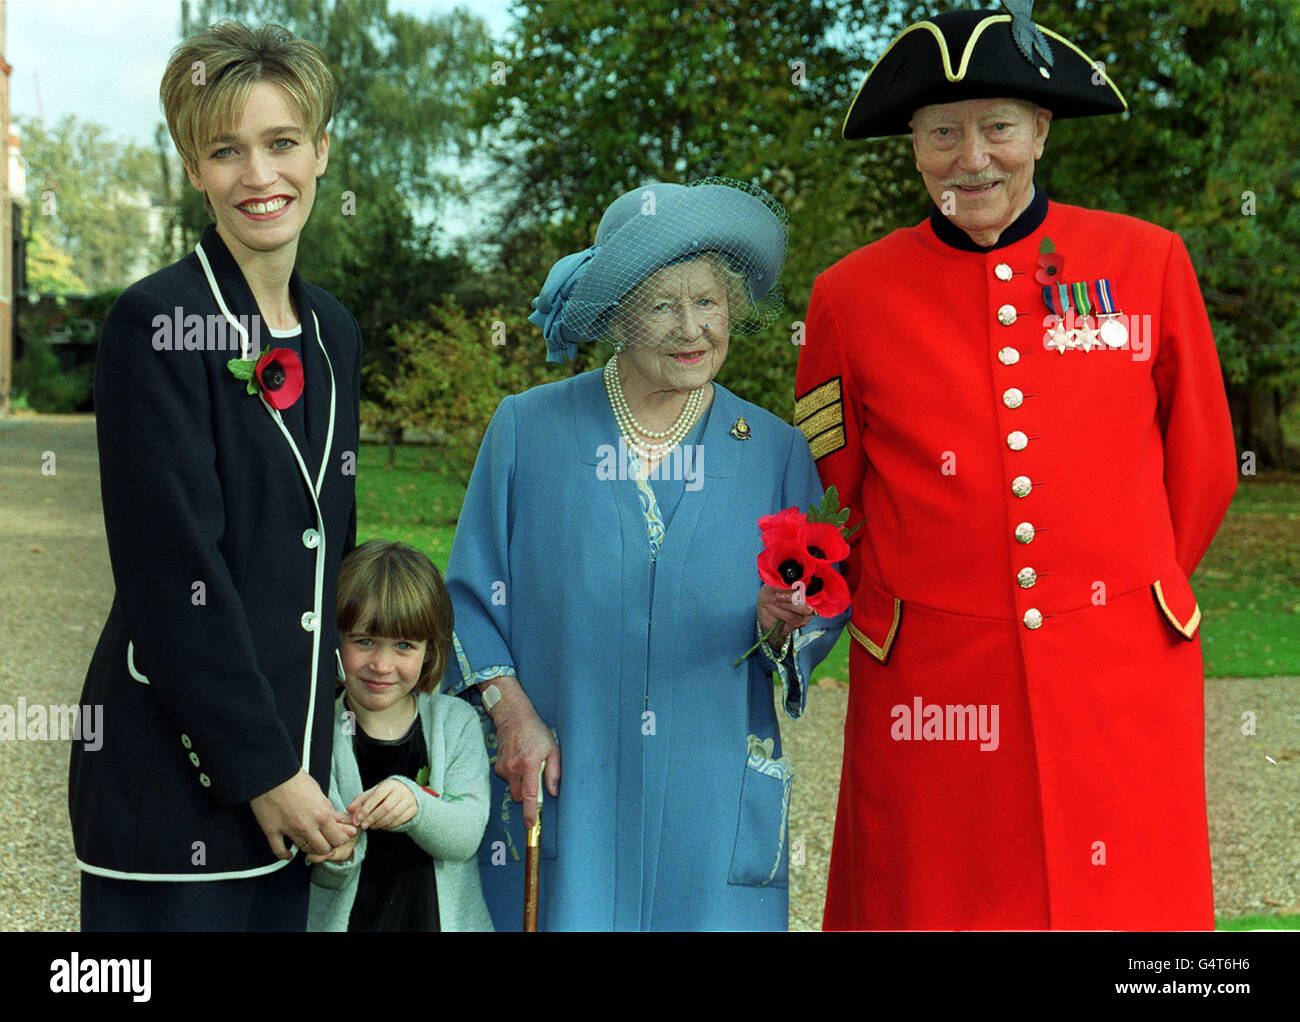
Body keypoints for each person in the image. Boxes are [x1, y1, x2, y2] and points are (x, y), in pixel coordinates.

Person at [797, 1, 1238, 930]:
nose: (973, 157)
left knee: (1129, 910)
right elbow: (843, 489)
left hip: (1119, 665)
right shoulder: (850, 295)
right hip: (934, 676)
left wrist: (1119, 590)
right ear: (912, 146)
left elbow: (1202, 463)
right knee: (934, 898)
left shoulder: (1145, 262)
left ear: (1040, 130)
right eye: (943, 132)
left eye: (997, 126)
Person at [444, 178, 845, 930]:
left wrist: (786, 625)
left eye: (708, 302)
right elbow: (468, 598)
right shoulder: (529, 431)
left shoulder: (776, 453)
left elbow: (820, 607)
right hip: (570, 785)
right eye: (661, 304)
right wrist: (512, 718)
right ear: (618, 317)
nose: (690, 327)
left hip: (713, 797)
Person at [69, 20, 362, 930]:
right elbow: (171, 573)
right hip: (178, 785)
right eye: (225, 151)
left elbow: (325, 548)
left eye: (282, 144)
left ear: (321, 150)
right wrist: (263, 772)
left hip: (297, 787)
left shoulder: (333, 332)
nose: (259, 176)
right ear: (194, 170)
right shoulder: (154, 321)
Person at [306, 541, 493, 931]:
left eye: (404, 645)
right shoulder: (317, 727)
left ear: (430, 650)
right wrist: (336, 855)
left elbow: (465, 833)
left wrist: (416, 804)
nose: (381, 664)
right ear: (335, 637)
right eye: (364, 641)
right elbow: (322, 872)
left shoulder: (454, 722)